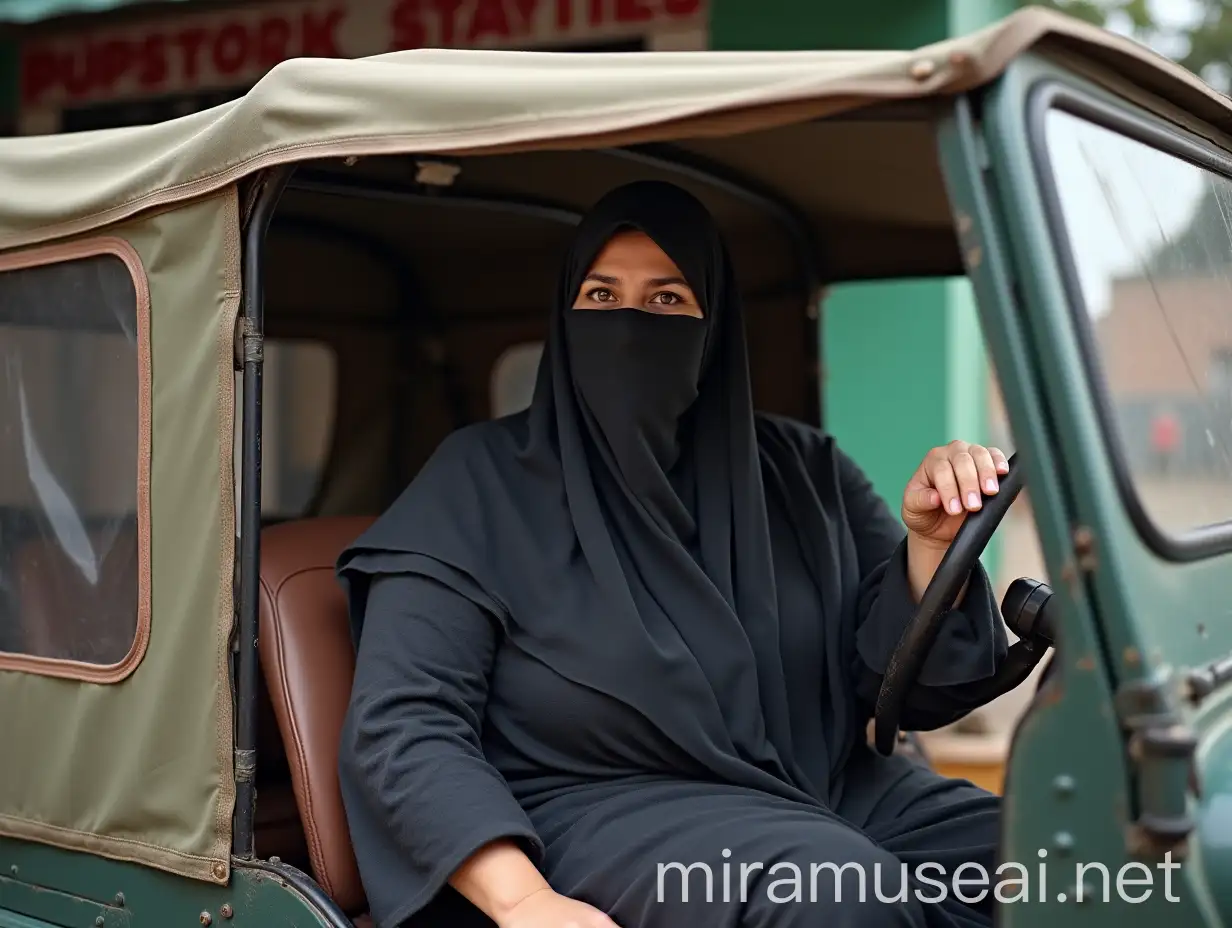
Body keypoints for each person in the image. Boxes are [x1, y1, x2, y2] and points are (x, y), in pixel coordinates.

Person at [337, 181, 1024, 928]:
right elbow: (404, 727)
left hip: (822, 785)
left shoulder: (801, 471)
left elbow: (900, 683)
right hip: (596, 810)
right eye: (601, 297)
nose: (629, 326)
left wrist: (930, 546)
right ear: (564, 316)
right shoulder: (477, 483)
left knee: (1061, 862)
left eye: (667, 301)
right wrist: (525, 900)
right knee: (835, 891)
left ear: (714, 327)